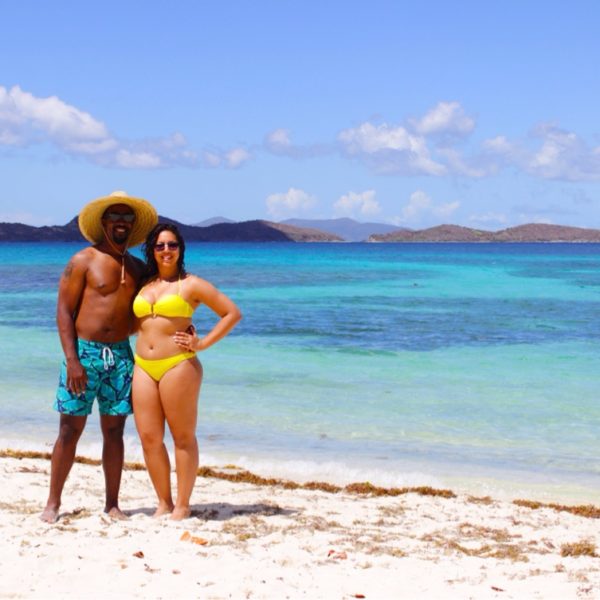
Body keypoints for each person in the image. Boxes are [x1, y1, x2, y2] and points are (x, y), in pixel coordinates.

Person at [40, 191, 158, 524]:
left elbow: (156, 307)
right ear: (104, 222)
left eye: (127, 217)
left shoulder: (137, 267)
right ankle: (52, 502)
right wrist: (72, 360)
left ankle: (112, 503)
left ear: (132, 225)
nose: (121, 222)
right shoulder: (83, 260)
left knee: (115, 432)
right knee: (69, 430)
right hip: (85, 354)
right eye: (115, 216)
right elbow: (63, 311)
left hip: (121, 356)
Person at [132, 223, 241, 520]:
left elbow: (231, 312)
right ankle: (163, 502)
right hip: (142, 365)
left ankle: (182, 504)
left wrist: (202, 342)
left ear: (181, 249)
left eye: (172, 245)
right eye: (160, 246)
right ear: (152, 251)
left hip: (178, 366)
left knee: (182, 437)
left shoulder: (191, 284)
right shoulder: (144, 283)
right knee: (149, 438)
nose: (166, 250)